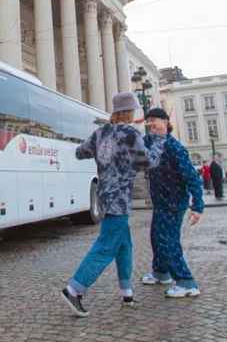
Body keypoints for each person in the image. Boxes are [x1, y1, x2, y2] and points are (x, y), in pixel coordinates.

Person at [61, 91, 151, 317]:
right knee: (106, 246)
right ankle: (74, 289)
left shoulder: (100, 132)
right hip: (120, 198)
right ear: (129, 112)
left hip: (104, 196)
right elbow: (146, 161)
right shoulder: (131, 133)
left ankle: (126, 291)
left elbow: (80, 152)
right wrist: (158, 145)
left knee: (124, 245)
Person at [140, 108, 204, 298]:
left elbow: (192, 177)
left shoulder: (175, 148)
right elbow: (131, 143)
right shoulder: (150, 143)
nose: (151, 124)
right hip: (160, 202)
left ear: (166, 123)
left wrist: (197, 206)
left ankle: (186, 282)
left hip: (174, 203)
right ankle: (161, 273)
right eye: (148, 121)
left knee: (168, 241)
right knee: (156, 238)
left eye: (155, 120)